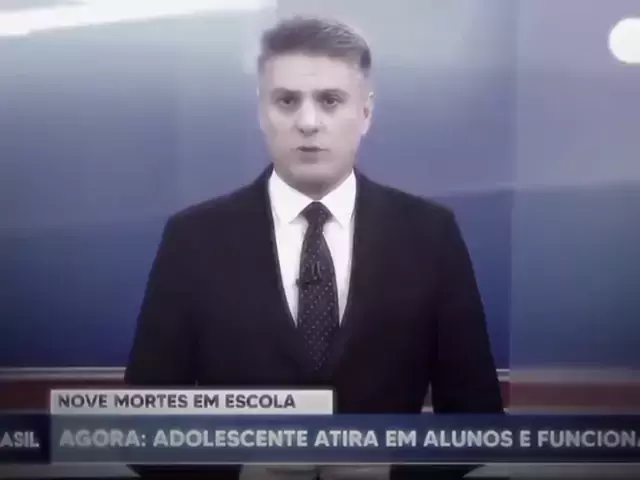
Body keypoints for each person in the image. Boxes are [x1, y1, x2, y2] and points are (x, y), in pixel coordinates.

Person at [125, 15, 504, 479]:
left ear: (365, 113)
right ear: (261, 111)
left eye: (330, 100)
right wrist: (239, 471)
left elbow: (477, 423)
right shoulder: (193, 239)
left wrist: (392, 470)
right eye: (287, 101)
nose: (308, 122)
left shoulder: (430, 235)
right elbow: (141, 431)